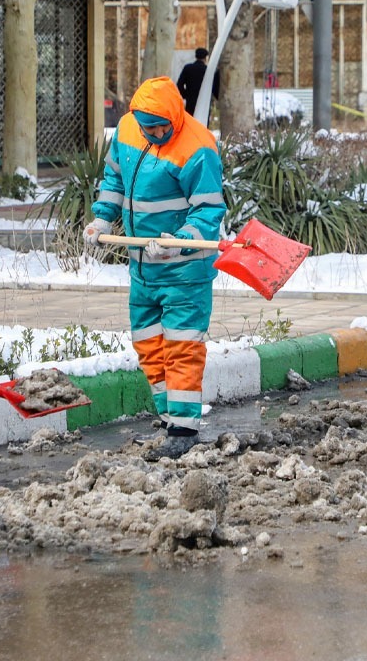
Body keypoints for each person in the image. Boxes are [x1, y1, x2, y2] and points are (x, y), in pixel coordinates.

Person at [84, 76, 226, 459]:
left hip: (185, 271)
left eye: (164, 125)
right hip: (142, 267)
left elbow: (209, 209)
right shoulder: (128, 131)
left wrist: (177, 241)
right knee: (148, 344)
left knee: (182, 347)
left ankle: (183, 428)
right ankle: (168, 418)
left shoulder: (197, 148)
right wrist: (102, 219)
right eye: (152, 128)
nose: (159, 132)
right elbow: (114, 179)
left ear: (175, 116)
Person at [176, 47, 219, 118]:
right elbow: (214, 89)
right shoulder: (208, 71)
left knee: (191, 124)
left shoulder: (188, 68)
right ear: (205, 58)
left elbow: (179, 85)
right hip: (204, 103)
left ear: (196, 56)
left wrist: (186, 95)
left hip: (191, 102)